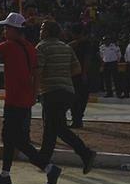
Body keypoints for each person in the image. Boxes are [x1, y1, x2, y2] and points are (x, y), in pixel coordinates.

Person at [0, 12, 63, 184]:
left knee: (16, 139)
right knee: (10, 137)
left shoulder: (9, 46)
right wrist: (34, 94)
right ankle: (5, 173)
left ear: (14, 30)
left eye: (6, 28)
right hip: (26, 98)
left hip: (14, 99)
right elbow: (36, 74)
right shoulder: (31, 48)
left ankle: (49, 168)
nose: (4, 30)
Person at [36, 21, 96, 173]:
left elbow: (38, 70)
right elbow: (76, 69)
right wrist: (62, 74)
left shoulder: (42, 47)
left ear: (47, 32)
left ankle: (85, 153)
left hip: (51, 91)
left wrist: (36, 89)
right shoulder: (66, 47)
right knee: (54, 127)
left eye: (42, 29)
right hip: (68, 92)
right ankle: (44, 160)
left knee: (55, 128)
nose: (40, 31)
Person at [67, 24, 92, 128]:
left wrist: (84, 73)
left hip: (79, 74)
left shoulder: (85, 44)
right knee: (78, 98)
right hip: (77, 74)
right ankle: (77, 119)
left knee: (78, 98)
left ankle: (77, 119)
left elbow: (87, 60)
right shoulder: (77, 43)